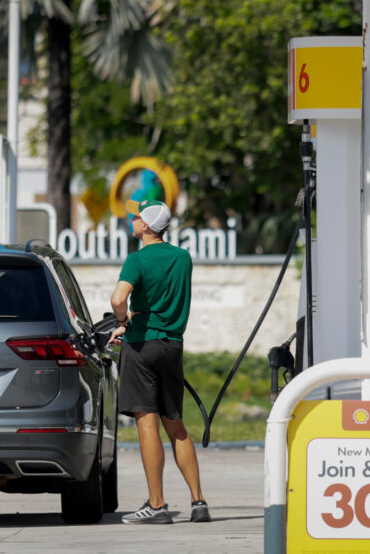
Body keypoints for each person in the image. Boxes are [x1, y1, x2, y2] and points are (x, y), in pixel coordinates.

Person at [109, 199, 210, 525]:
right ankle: (198, 502)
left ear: (147, 226)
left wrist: (122, 320)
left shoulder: (136, 260)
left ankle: (157, 505)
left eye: (136, 216)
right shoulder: (183, 258)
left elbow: (118, 298)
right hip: (172, 346)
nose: (132, 219)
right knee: (176, 425)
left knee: (147, 424)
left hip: (141, 347)